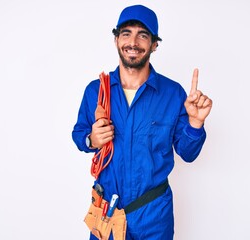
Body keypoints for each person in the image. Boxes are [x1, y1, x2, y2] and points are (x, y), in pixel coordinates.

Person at [72, 4, 213, 240]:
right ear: (116, 39)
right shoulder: (96, 91)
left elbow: (188, 154)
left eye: (143, 35)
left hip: (154, 214)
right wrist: (91, 139)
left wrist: (195, 124)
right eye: (126, 33)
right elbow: (79, 134)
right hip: (106, 211)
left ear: (154, 44)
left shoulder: (173, 94)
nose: (133, 42)